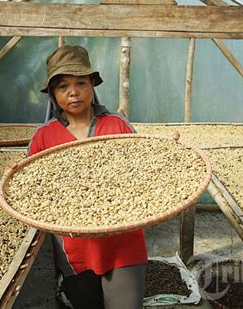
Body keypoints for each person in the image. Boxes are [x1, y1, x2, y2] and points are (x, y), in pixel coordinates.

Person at [27, 45, 148, 309]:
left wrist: (168, 155)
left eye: (80, 82)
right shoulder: (44, 137)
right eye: (62, 86)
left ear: (92, 84)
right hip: (74, 250)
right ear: (52, 93)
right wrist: (15, 175)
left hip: (122, 243)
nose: (73, 92)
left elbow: (144, 172)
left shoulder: (116, 125)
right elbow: (30, 189)